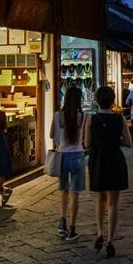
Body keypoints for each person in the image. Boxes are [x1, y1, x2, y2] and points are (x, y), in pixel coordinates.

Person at [84, 86, 130, 258]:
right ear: (113, 100)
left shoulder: (91, 120)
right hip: (115, 159)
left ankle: (99, 233)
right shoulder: (120, 119)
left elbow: (87, 144)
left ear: (97, 100)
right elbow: (128, 142)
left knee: (100, 198)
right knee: (113, 202)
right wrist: (116, 138)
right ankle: (111, 240)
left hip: (98, 160)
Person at [51, 87, 86, 241]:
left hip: (62, 156)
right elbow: (85, 137)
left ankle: (62, 221)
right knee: (75, 194)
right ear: (80, 100)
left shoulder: (58, 115)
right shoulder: (83, 116)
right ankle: (73, 228)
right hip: (77, 155)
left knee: (64, 190)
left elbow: (52, 134)